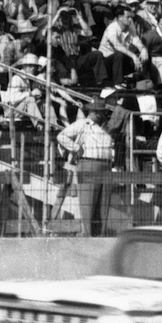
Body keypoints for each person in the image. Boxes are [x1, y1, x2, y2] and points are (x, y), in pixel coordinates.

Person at [56, 101, 118, 236]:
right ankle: (88, 234)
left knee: (104, 204)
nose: (103, 115)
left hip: (106, 166)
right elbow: (61, 136)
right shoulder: (82, 124)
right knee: (88, 202)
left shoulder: (105, 127)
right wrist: (76, 148)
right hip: (88, 163)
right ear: (94, 112)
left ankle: (100, 235)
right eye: (101, 112)